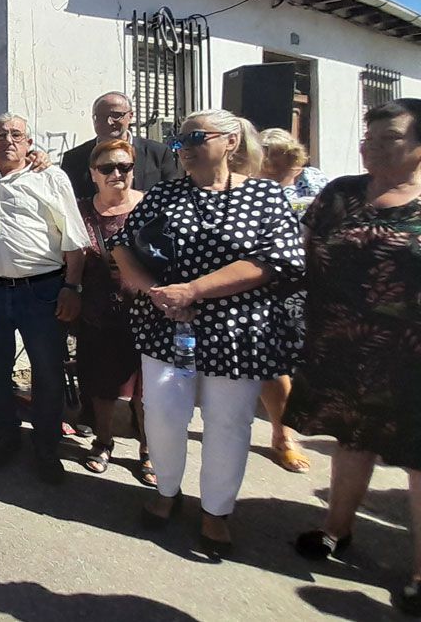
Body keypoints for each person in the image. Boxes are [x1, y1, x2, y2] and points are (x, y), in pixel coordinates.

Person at [109, 108, 304, 558]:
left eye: (196, 138)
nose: (185, 148)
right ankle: (167, 490)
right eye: (180, 141)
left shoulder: (265, 196)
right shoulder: (165, 194)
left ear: (231, 141)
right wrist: (158, 293)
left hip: (237, 330)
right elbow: (121, 246)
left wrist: (193, 290)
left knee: (228, 422)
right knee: (163, 414)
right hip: (167, 326)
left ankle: (216, 510)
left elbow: (274, 261)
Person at [283, 98, 421, 616]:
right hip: (343, 346)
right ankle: (336, 530)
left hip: (412, 356)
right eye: (369, 138)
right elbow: (298, 254)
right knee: (351, 439)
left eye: (390, 138)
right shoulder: (340, 194)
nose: (373, 147)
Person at [0, 113, 89, 484]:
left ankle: (46, 447)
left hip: (42, 292)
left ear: (29, 144)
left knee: (47, 373)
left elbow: (75, 239)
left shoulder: (50, 177)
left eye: (16, 134)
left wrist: (72, 287)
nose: (8, 140)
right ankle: (5, 436)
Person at [74, 138, 153, 486]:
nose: (116, 173)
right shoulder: (80, 210)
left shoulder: (150, 207)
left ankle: (149, 450)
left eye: (124, 166)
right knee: (101, 384)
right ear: (93, 173)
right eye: (107, 167)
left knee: (147, 391)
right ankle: (104, 442)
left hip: (147, 313)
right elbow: (70, 256)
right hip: (98, 312)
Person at [254, 127, 327, 475]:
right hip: (268, 282)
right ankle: (282, 435)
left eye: (268, 152)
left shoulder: (316, 182)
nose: (262, 159)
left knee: (308, 358)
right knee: (274, 360)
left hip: (314, 282)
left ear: (286, 153)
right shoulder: (253, 187)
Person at [60, 91, 182, 199]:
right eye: (100, 116)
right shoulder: (73, 159)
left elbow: (170, 196)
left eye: (116, 115)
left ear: (130, 116)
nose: (109, 122)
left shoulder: (158, 153)